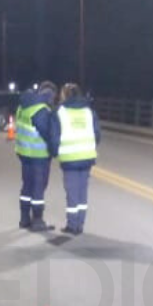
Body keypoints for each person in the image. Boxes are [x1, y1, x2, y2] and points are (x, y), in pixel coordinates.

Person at [13, 81, 60, 231]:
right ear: (51, 94)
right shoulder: (41, 110)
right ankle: (38, 221)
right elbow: (47, 133)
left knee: (27, 185)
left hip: (24, 152)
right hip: (38, 154)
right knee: (39, 187)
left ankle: (24, 219)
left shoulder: (23, 106)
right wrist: (54, 150)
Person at [55, 83, 100, 235]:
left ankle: (72, 225)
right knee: (82, 192)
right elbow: (97, 134)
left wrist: (55, 152)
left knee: (72, 193)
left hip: (70, 158)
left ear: (65, 95)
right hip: (87, 156)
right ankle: (80, 224)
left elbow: (55, 136)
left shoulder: (61, 112)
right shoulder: (89, 111)